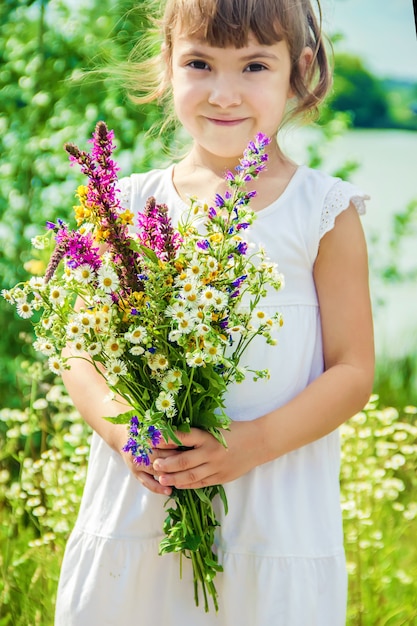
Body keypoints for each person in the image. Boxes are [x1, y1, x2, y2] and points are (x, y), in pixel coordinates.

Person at [54, 0, 374, 624]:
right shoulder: (122, 205)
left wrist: (249, 445)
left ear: (298, 70)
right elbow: (77, 349)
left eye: (255, 66)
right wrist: (128, 435)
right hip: (143, 507)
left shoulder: (324, 214)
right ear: (168, 66)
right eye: (200, 62)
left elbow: (354, 371)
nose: (224, 93)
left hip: (272, 517)